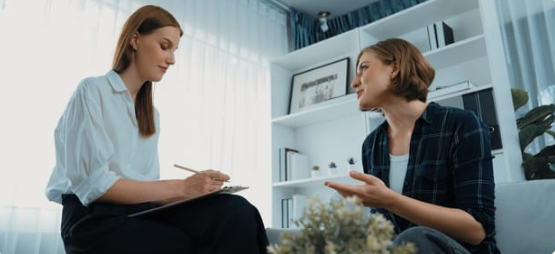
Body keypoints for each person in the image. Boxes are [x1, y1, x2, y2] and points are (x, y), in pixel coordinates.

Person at [45, 5, 268, 254]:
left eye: (174, 50)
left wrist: (198, 190)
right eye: (165, 46)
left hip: (136, 212)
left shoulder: (151, 115)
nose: (172, 59)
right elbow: (94, 186)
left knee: (235, 210)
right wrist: (183, 186)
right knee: (179, 244)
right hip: (91, 220)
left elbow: (147, 188)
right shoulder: (92, 91)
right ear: (135, 39)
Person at [325, 38, 499, 254]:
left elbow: (477, 230)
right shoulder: (371, 145)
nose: (354, 83)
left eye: (364, 68)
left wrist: (390, 201)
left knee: (416, 237)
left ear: (395, 68)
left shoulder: (461, 124)